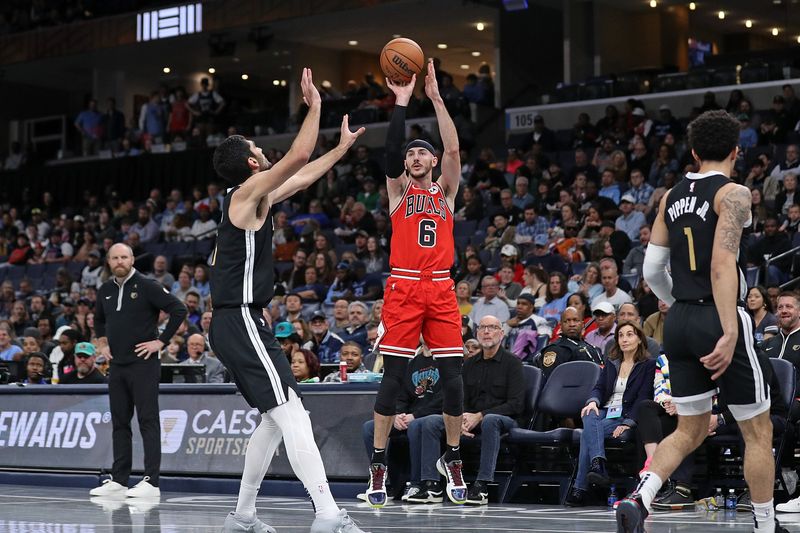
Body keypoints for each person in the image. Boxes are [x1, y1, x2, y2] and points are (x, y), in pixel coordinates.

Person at [207, 67, 366, 533]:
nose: (263, 151)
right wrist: (315, 105)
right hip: (240, 320)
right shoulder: (245, 195)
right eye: (258, 149)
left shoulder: (253, 198)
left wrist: (340, 148)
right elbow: (298, 155)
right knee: (292, 413)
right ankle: (327, 514)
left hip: (237, 321)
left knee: (274, 420)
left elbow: (300, 176)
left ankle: (243, 515)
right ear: (253, 164)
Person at [617, 110, 785, 533]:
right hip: (718, 313)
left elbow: (652, 271)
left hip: (680, 320)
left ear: (692, 151)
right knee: (757, 431)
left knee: (689, 428)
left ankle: (642, 497)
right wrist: (729, 328)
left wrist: (682, 303)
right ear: (736, 150)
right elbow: (722, 263)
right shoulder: (734, 193)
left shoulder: (670, 196)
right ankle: (765, 525)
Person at [368, 59, 467, 509]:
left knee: (453, 376)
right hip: (405, 287)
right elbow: (389, 153)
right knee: (392, 378)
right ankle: (379, 460)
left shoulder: (445, 192)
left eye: (420, 153)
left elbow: (453, 150)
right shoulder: (397, 191)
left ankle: (452, 456)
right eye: (411, 154)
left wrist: (437, 98)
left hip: (442, 287)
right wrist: (402, 102)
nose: (414, 157)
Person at [90, 243, 187, 500]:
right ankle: (119, 481)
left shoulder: (147, 285)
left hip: (144, 364)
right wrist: (101, 341)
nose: (120, 261)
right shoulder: (105, 290)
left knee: (148, 421)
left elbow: (179, 309)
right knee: (120, 423)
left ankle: (151, 482)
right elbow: (98, 319)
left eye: (124, 257)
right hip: (117, 366)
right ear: (109, 262)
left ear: (132, 259)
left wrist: (161, 341)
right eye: (115, 258)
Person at [566, 321, 656, 506]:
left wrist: (628, 422)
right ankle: (598, 464)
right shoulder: (612, 362)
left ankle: (580, 488)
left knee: (586, 435)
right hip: (605, 412)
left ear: (639, 339)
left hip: (625, 415)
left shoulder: (648, 365)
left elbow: (644, 397)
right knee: (588, 413)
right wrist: (593, 401)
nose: (624, 339)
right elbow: (599, 388)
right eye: (621, 335)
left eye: (629, 334)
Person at [534, 306, 602, 380]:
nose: (571, 324)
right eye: (567, 321)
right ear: (561, 326)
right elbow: (553, 383)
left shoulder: (593, 348)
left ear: (582, 324)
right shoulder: (554, 350)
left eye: (576, 320)